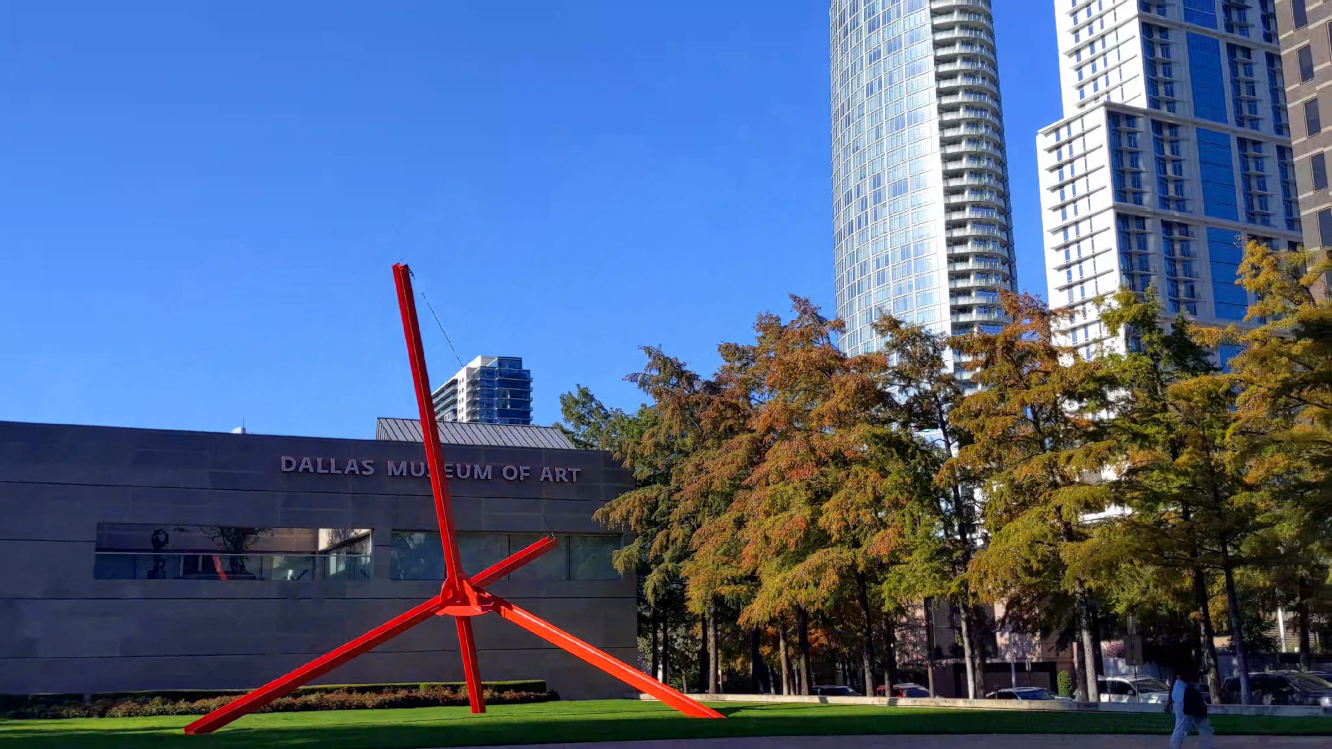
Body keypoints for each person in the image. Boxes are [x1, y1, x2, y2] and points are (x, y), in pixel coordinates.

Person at [1164, 662, 1214, 749]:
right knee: (1182, 723)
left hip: (1184, 690)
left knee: (1198, 723)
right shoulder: (1184, 661)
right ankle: (1175, 746)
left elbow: (1176, 678)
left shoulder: (1186, 661)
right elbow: (1183, 677)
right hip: (1183, 690)